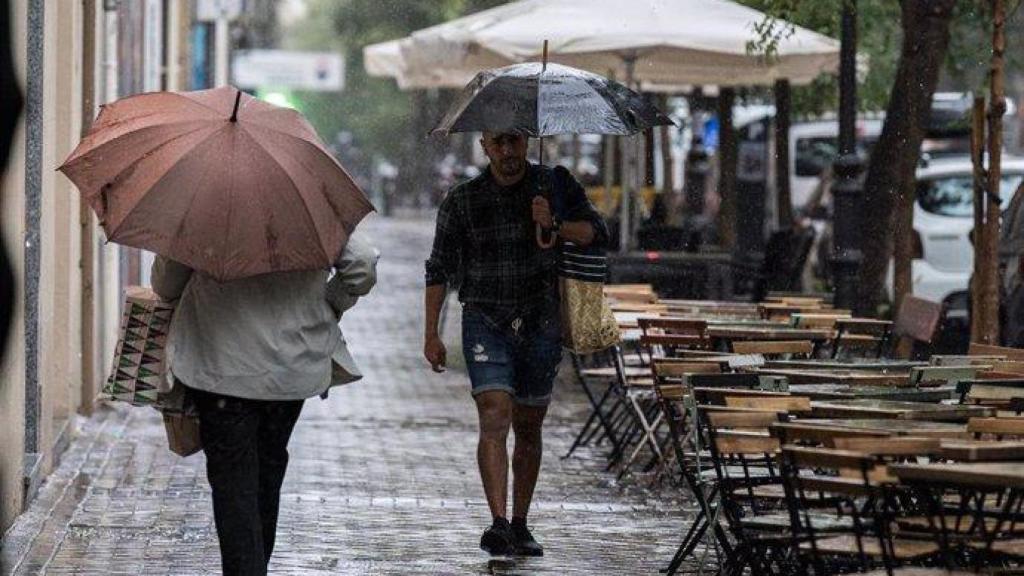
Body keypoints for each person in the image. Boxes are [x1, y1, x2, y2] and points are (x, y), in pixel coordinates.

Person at [152, 230, 379, 576]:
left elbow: (166, 285)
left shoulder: (206, 209)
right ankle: (254, 566)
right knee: (267, 470)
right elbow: (361, 265)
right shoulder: (310, 208)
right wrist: (329, 301)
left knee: (234, 480)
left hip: (220, 367)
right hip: (291, 367)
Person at [423, 131, 608, 556]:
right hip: (485, 320)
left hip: (541, 322)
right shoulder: (462, 199)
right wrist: (431, 333)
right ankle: (499, 522)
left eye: (515, 142)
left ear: (526, 142)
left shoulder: (555, 185)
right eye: (498, 143)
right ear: (485, 146)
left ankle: (521, 522)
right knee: (494, 414)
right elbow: (438, 268)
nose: (508, 152)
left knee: (528, 424)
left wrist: (554, 223)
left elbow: (597, 234)